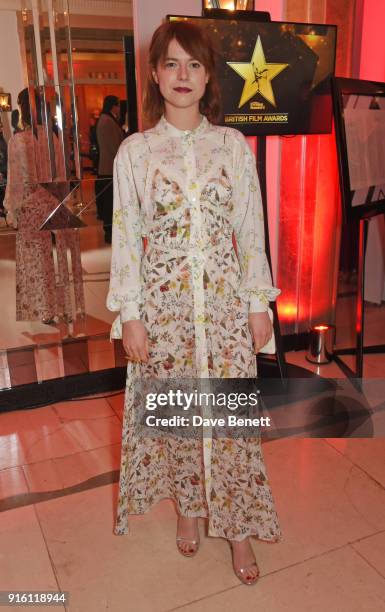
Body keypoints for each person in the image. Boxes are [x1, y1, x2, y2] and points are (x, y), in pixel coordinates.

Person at [107, 21, 281, 586]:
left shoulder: (231, 146)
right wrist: (130, 313)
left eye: (195, 65)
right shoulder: (136, 152)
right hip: (165, 311)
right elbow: (127, 235)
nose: (183, 76)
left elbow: (250, 229)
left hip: (227, 307)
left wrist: (259, 301)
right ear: (155, 74)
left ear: (209, 78)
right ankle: (188, 504)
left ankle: (238, 530)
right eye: (172, 64)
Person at [4, 88, 84, 322]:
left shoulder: (18, 141)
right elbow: (61, 174)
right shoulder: (53, 139)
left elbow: (16, 179)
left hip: (30, 205)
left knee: (37, 259)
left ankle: (45, 309)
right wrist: (62, 201)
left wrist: (12, 208)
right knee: (59, 256)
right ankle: (65, 306)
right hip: (51, 202)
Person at [96, 95, 125, 243]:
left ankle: (111, 231)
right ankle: (109, 232)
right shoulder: (107, 121)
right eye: (118, 105)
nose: (120, 109)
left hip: (107, 166)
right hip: (109, 167)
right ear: (113, 106)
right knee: (109, 202)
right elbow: (114, 146)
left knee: (109, 201)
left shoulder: (105, 119)